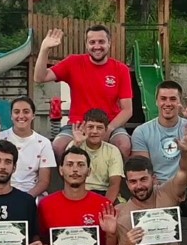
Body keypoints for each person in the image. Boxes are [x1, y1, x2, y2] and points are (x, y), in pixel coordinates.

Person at [34, 27, 133, 161]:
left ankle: (119, 174)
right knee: (58, 147)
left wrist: (109, 129)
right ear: (86, 44)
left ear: (109, 43)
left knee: (124, 145)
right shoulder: (73, 62)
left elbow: (127, 110)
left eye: (101, 42)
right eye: (92, 42)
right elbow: (40, 77)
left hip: (109, 123)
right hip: (77, 124)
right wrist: (44, 49)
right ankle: (67, 175)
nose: (97, 46)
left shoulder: (121, 69)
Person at [130, 80, 187, 186]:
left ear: (180, 102)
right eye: (163, 99)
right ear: (156, 101)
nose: (167, 103)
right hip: (157, 189)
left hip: (186, 188)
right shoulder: (142, 131)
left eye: (173, 99)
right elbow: (143, 168)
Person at [0, 97, 54, 199]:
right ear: (11, 116)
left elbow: (44, 181)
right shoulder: (0, 137)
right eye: (16, 112)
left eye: (26, 112)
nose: (21, 116)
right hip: (3, 192)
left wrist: (25, 198)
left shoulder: (44, 143)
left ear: (33, 115)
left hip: (31, 195)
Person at [69, 108, 124, 202]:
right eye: (90, 127)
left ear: (106, 130)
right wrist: (77, 144)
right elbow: (66, 172)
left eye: (99, 128)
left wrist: (105, 206)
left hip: (104, 193)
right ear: (84, 128)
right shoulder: (74, 145)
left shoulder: (112, 150)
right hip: (80, 192)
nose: (94, 131)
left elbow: (114, 184)